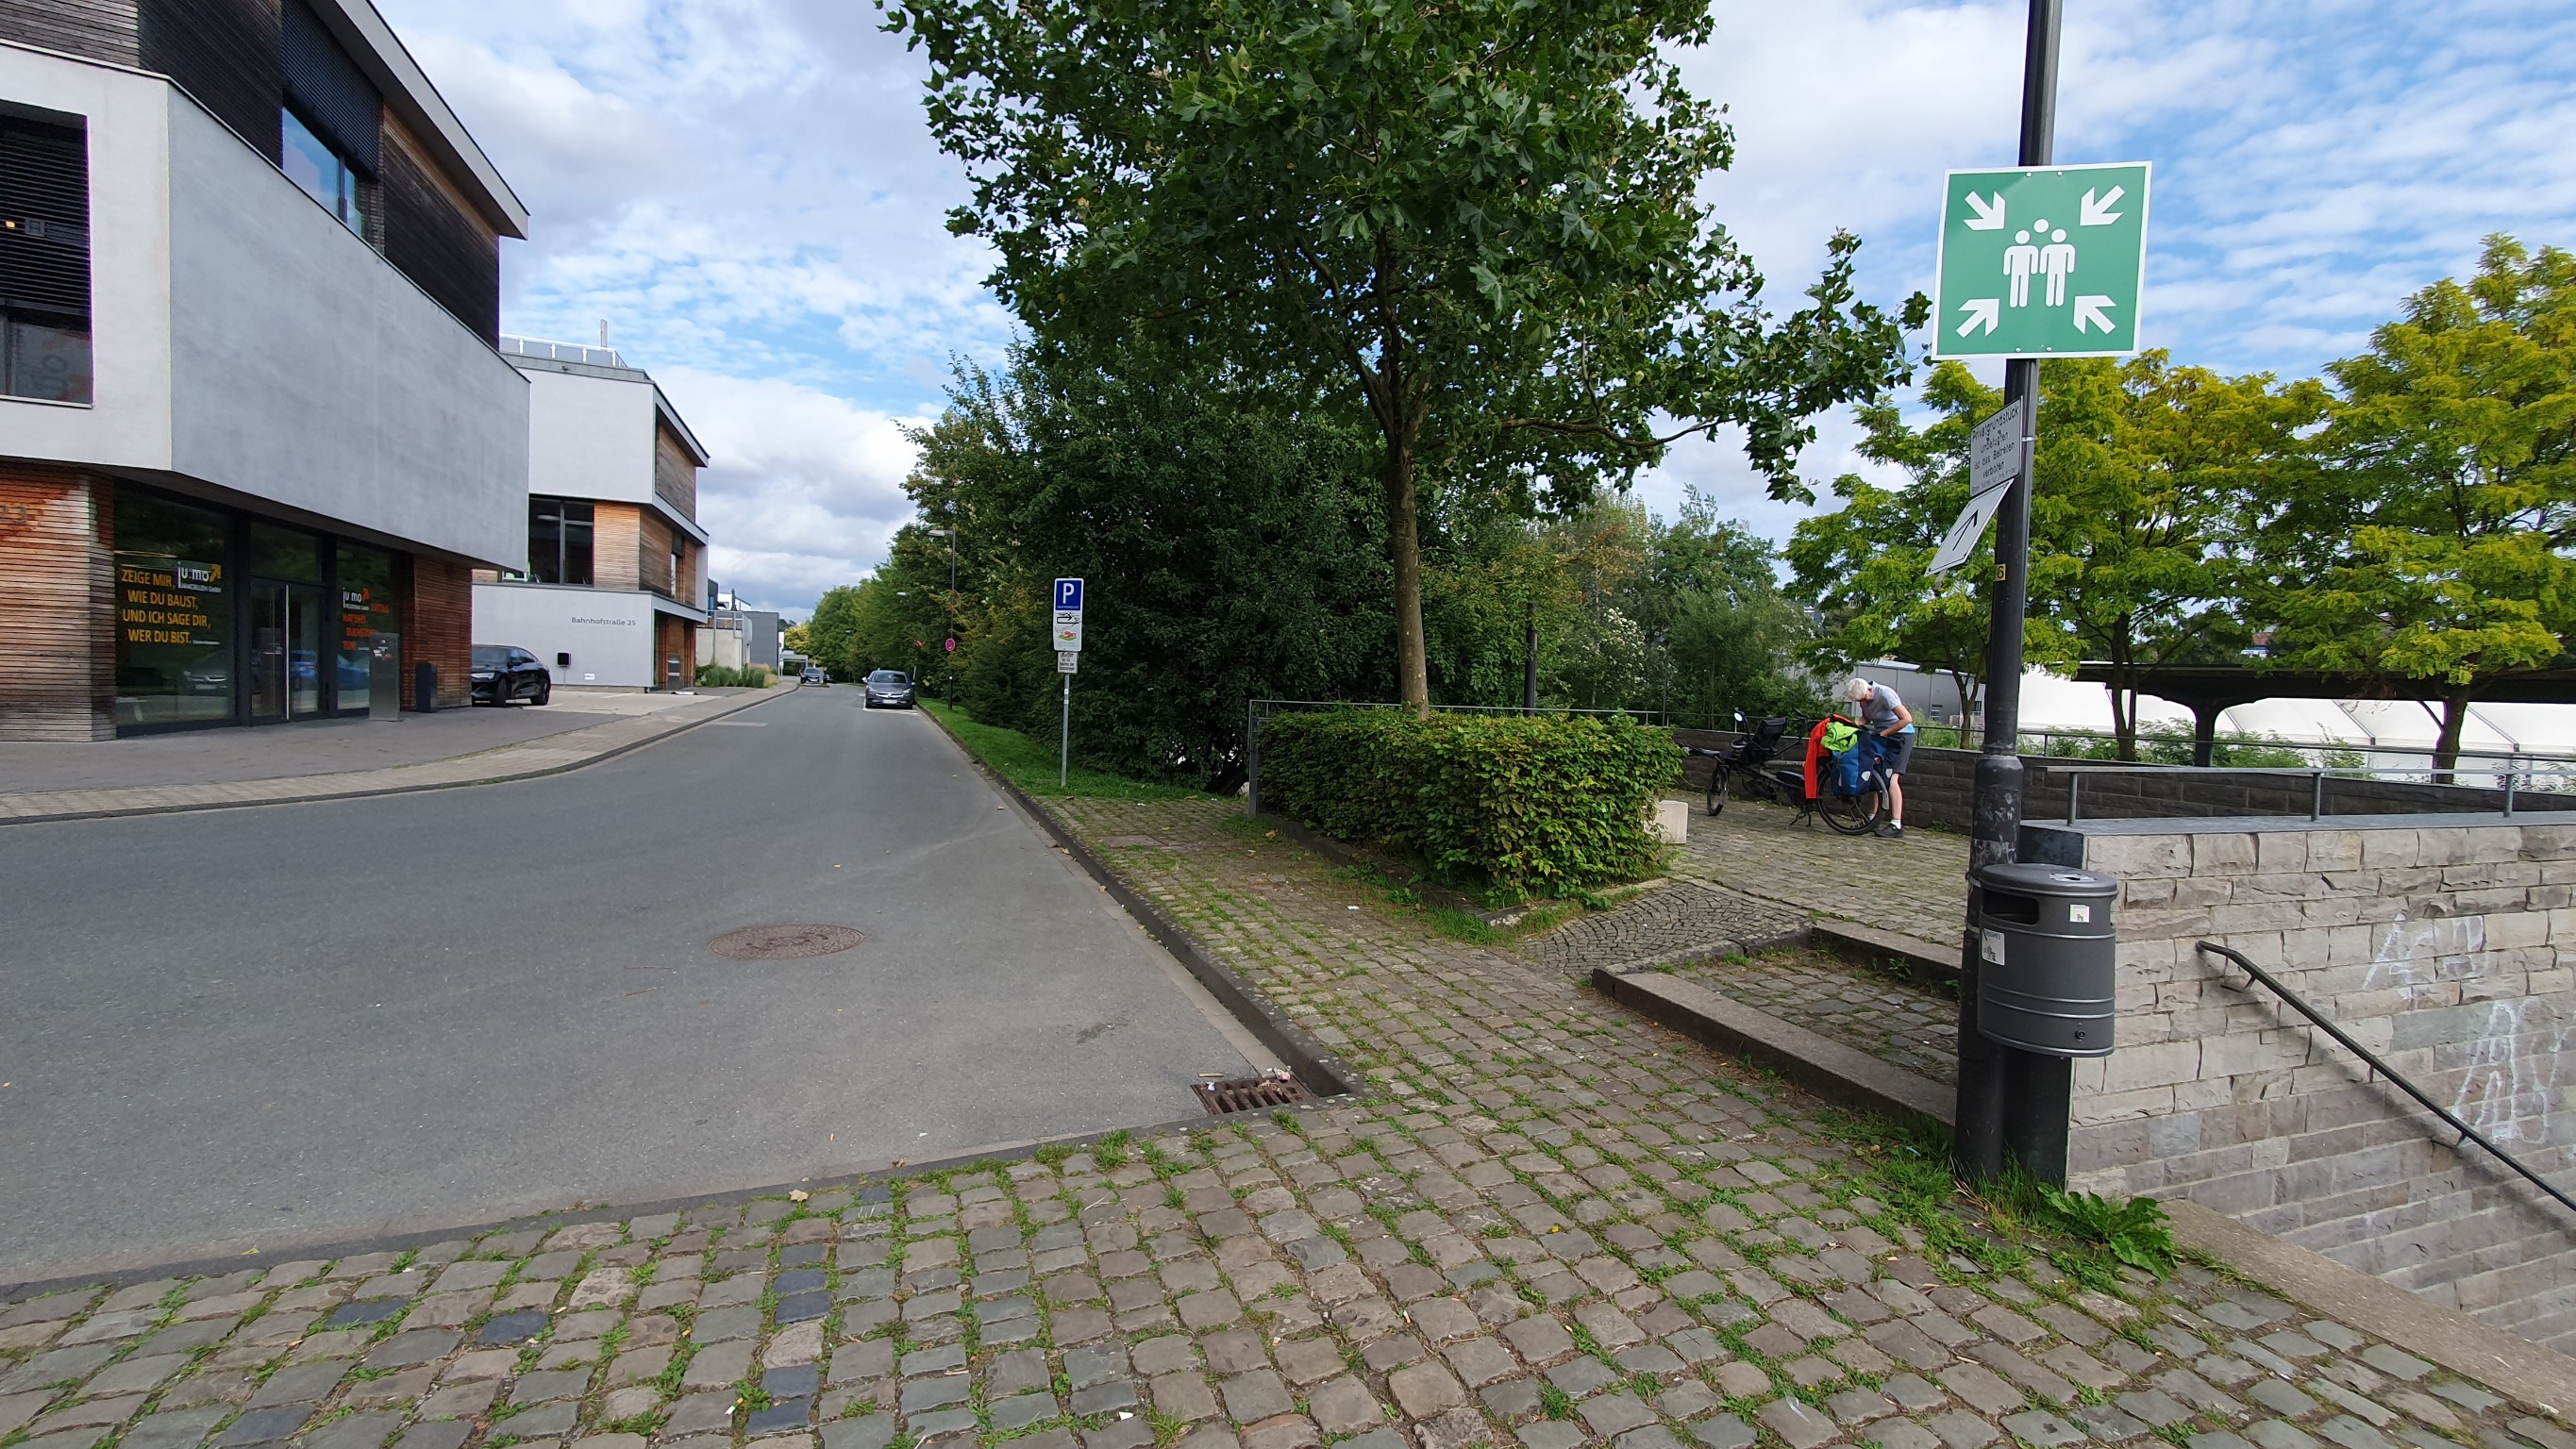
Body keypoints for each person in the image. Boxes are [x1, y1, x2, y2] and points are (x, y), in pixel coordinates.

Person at [1844, 675, 1915, 839]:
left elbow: (1906, 719)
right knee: (1875, 776)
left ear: (1869, 689)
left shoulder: (1885, 694)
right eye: (1860, 701)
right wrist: (1858, 723)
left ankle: (1896, 824)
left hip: (1901, 737)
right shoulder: (1863, 698)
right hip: (1882, 737)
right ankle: (1871, 819)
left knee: (1892, 779)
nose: (1863, 702)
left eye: (1864, 699)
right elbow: (1868, 717)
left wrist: (1884, 733)